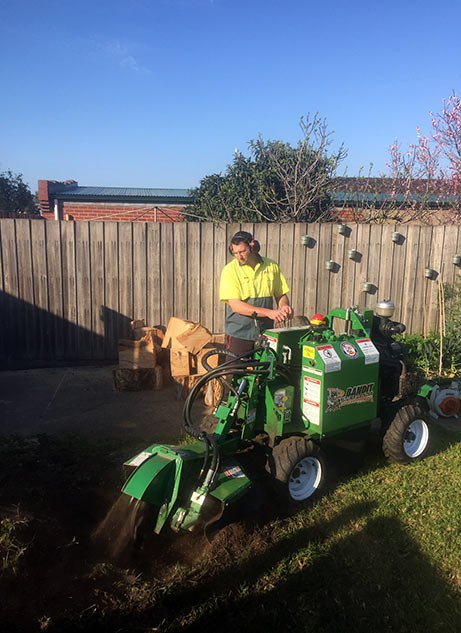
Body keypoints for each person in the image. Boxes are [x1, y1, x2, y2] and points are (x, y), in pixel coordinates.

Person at [219, 231, 294, 355]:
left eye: (243, 251)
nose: (239, 256)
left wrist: (284, 306)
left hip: (265, 331)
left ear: (253, 247)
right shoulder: (229, 271)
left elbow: (280, 294)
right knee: (235, 372)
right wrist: (269, 313)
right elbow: (236, 306)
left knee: (265, 371)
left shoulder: (271, 266)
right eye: (236, 253)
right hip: (240, 333)